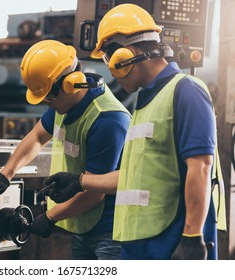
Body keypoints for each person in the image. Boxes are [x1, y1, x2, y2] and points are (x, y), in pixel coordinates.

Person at [41, 4, 226, 260]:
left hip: (171, 245)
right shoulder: (146, 101)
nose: (111, 71)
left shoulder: (187, 90)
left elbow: (201, 167)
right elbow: (135, 177)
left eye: (110, 59)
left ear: (129, 54)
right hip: (137, 246)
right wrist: (79, 181)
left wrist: (192, 237)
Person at [0, 39, 131, 259]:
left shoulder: (107, 119)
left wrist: (50, 216)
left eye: (49, 96)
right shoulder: (64, 104)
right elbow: (37, 137)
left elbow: (95, 192)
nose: (46, 102)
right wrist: (6, 173)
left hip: (110, 231)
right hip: (82, 225)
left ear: (72, 84)